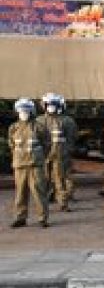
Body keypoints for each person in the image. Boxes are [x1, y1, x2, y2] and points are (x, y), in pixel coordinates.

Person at [8, 98, 49, 228]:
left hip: (35, 165)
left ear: (31, 112)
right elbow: (11, 144)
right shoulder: (13, 128)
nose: (23, 113)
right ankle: (20, 217)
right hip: (20, 165)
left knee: (38, 192)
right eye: (21, 111)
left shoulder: (39, 127)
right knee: (20, 193)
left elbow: (46, 144)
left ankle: (42, 218)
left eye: (26, 111)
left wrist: (39, 158)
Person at [37, 93, 76, 212]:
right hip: (43, 155)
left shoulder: (67, 120)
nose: (51, 107)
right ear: (44, 105)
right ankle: (45, 201)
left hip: (60, 154)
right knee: (43, 178)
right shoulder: (39, 121)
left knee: (60, 179)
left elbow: (72, 137)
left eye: (54, 104)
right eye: (49, 104)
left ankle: (63, 203)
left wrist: (66, 151)